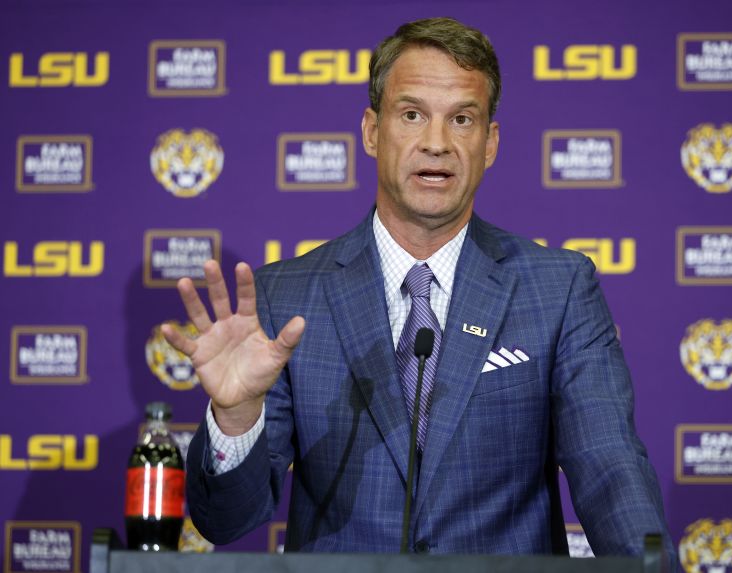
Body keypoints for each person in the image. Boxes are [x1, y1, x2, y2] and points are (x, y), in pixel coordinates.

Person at [163, 17, 678, 567]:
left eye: (462, 119)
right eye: (412, 115)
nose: (437, 143)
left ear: (490, 143)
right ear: (371, 130)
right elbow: (226, 520)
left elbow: (608, 465)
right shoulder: (285, 296)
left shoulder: (558, 289)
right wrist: (237, 416)